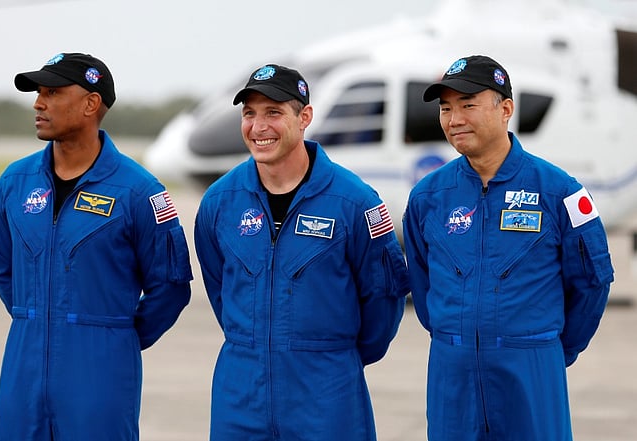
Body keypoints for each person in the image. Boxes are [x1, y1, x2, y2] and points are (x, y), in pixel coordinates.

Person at [403, 55, 615, 440]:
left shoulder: (558, 192)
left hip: (531, 370)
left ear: (505, 110)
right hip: (453, 375)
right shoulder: (427, 198)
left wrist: (547, 350)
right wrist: (460, 340)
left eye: (467, 105)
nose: (454, 119)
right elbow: (422, 281)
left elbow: (593, 282)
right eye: (446, 108)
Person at [193, 64, 409, 440]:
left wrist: (331, 359)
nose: (259, 127)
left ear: (305, 117)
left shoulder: (354, 202)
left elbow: (383, 301)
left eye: (273, 113)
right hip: (240, 395)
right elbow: (220, 290)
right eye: (249, 114)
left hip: (327, 396)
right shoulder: (220, 202)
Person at [0, 52, 192, 441]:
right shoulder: (14, 184)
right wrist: (37, 318)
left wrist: (114, 337)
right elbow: (4, 267)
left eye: (52, 92)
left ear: (90, 104)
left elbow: (171, 287)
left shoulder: (139, 191)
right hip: (22, 374)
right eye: (38, 93)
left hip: (101, 377)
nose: (38, 103)